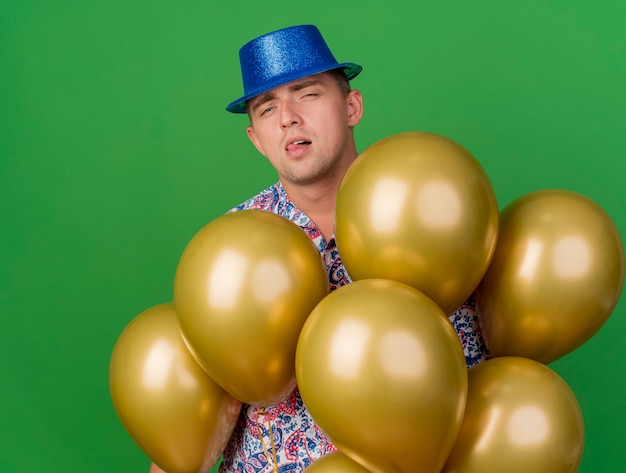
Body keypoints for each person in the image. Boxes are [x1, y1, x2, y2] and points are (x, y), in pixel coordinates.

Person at [150, 24, 489, 473]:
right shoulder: (230, 247)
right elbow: (192, 411)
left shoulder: (433, 201)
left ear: (352, 106)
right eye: (267, 108)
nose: (288, 116)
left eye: (306, 93)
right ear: (256, 138)